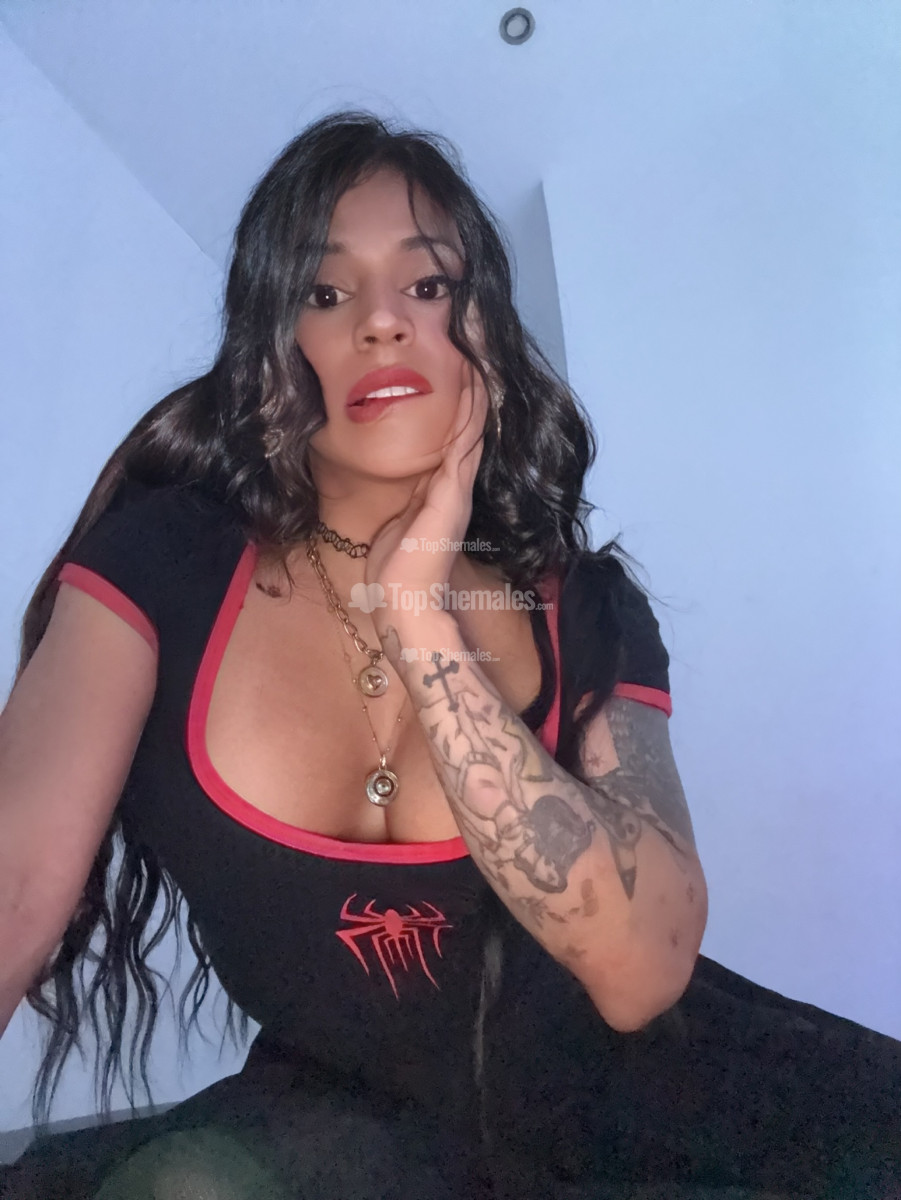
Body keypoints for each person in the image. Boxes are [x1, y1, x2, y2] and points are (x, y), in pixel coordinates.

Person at [0, 110, 899, 1200]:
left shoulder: (581, 607)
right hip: (344, 1117)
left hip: (666, 1106)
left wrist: (421, 613)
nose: (380, 320)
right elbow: (17, 892)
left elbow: (641, 973)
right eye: (324, 292)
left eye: (426, 285)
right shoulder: (158, 568)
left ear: (486, 331)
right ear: (275, 347)